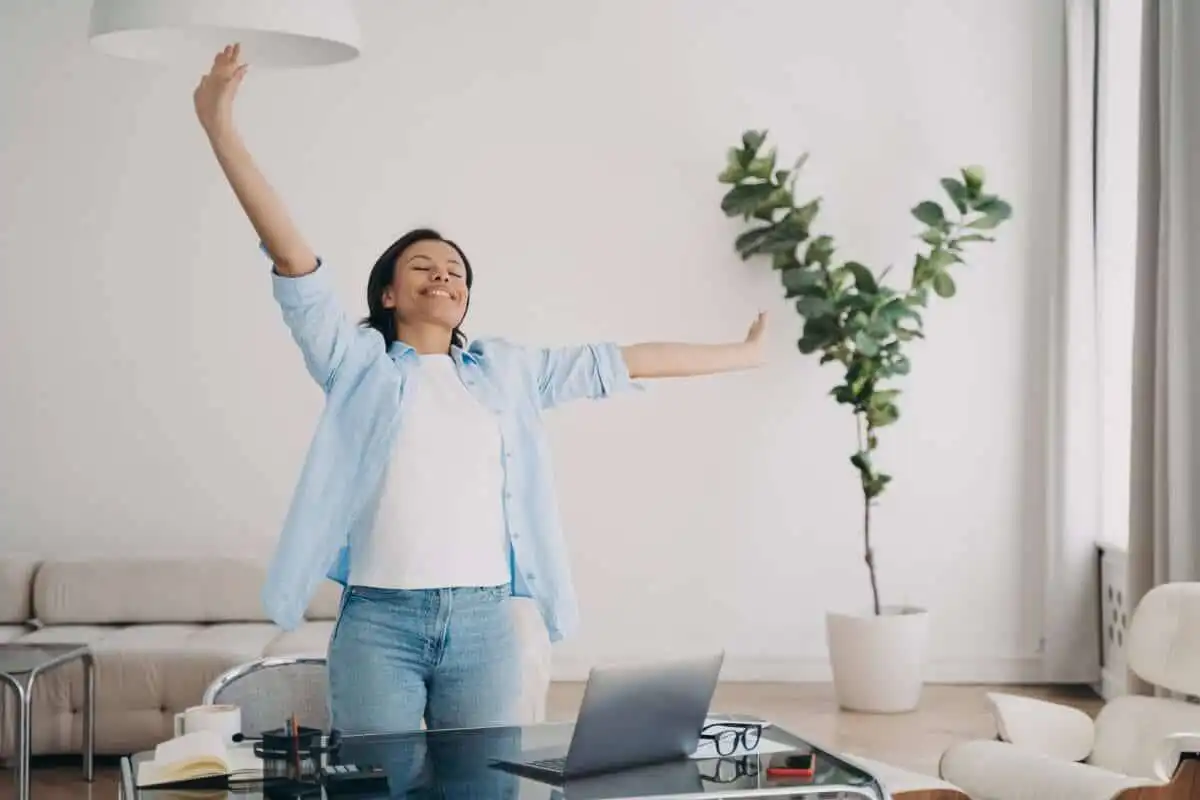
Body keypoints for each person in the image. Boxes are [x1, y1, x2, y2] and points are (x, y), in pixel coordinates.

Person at [193, 44, 768, 734]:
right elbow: (293, 258)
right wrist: (220, 125)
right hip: (380, 623)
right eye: (424, 266)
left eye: (456, 271)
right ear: (387, 291)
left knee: (485, 788)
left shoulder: (508, 373)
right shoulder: (356, 365)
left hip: (485, 624)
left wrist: (742, 353)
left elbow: (627, 359)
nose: (444, 276)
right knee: (380, 785)